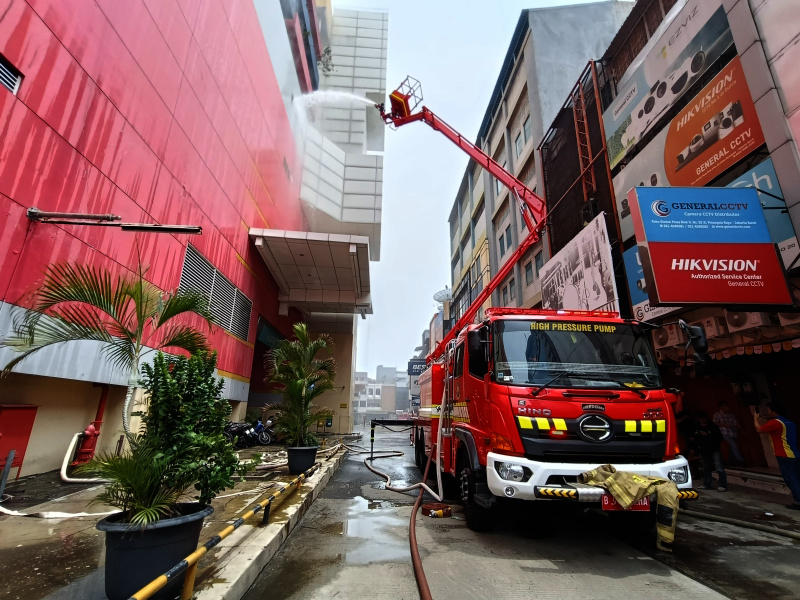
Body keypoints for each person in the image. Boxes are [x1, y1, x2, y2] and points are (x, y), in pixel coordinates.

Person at [754, 402, 800, 510]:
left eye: (769, 411)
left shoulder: (775, 422)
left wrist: (755, 418)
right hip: (794, 454)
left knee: (791, 479)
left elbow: (759, 429)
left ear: (774, 412)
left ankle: (798, 501)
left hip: (784, 454)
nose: (768, 412)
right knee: (796, 478)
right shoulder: (789, 422)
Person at [691, 411, 727, 492]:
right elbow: (694, 439)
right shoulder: (697, 427)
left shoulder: (713, 426)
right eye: (700, 419)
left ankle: (723, 485)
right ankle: (707, 484)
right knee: (706, 468)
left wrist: (708, 435)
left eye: (703, 419)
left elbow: (719, 438)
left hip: (714, 449)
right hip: (703, 450)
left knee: (719, 467)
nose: (702, 421)